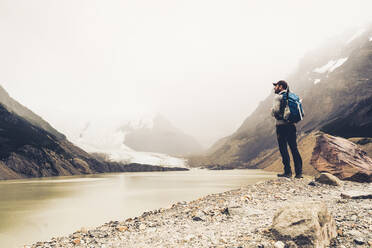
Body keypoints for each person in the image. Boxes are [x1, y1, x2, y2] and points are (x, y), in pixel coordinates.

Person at [271, 80, 303, 178]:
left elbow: (275, 111)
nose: (274, 88)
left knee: (283, 148)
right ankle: (299, 173)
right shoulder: (293, 96)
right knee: (294, 148)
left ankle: (288, 172)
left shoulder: (278, 96)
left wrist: (271, 111)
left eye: (276, 86)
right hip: (292, 125)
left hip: (281, 126)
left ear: (281, 87)